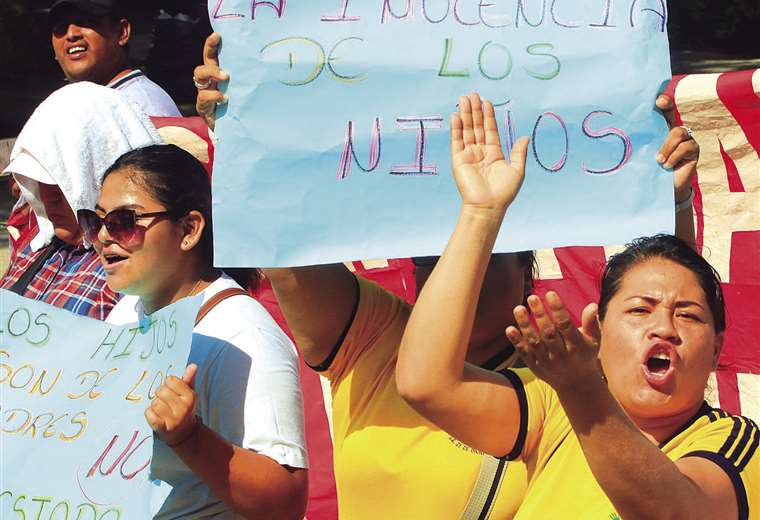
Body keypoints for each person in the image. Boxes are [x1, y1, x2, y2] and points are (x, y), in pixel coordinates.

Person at [194, 35, 703, 517]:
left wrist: (670, 196)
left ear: (526, 269)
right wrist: (242, 120)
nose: (450, 267)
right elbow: (284, 242)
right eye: (429, 257)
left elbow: (665, 297)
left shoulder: (565, 378)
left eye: (474, 253)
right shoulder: (371, 337)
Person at [395, 94, 758, 518]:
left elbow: (674, 512)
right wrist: (481, 211)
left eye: (689, 316)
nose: (664, 328)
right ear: (598, 332)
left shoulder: (732, 445)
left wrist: (583, 388)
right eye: (639, 310)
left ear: (715, 350)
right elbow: (425, 384)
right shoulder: (553, 408)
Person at [88, 144, 308, 519]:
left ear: (189, 230)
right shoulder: (128, 310)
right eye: (96, 221)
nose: (103, 237)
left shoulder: (243, 336)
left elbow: (286, 500)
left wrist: (189, 437)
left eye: (124, 221)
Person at [1, 82, 161, 319]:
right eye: (38, 180)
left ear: (98, 170)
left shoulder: (127, 268)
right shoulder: (36, 245)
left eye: (61, 178)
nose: (47, 195)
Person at [48, 0, 181, 117]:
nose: (71, 34)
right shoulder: (74, 104)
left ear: (122, 33)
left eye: (86, 22)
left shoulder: (143, 106)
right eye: (61, 28)